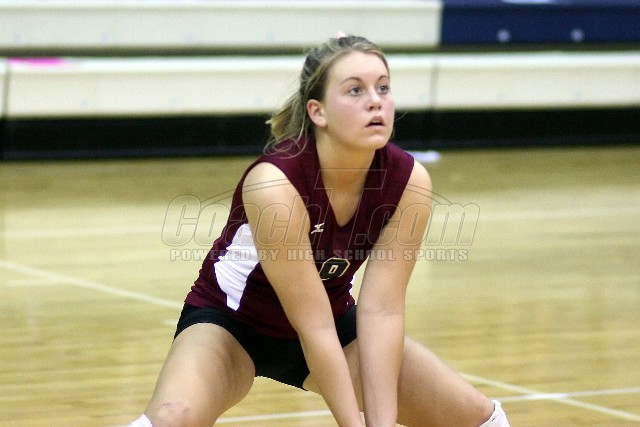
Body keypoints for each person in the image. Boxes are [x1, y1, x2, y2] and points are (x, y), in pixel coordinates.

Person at [130, 34, 509, 427]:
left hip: (333, 320)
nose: (375, 101)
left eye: (383, 87)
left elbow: (382, 310)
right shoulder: (275, 184)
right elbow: (313, 325)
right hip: (231, 325)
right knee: (174, 417)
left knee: (477, 417)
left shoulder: (408, 180)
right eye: (355, 90)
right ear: (318, 111)